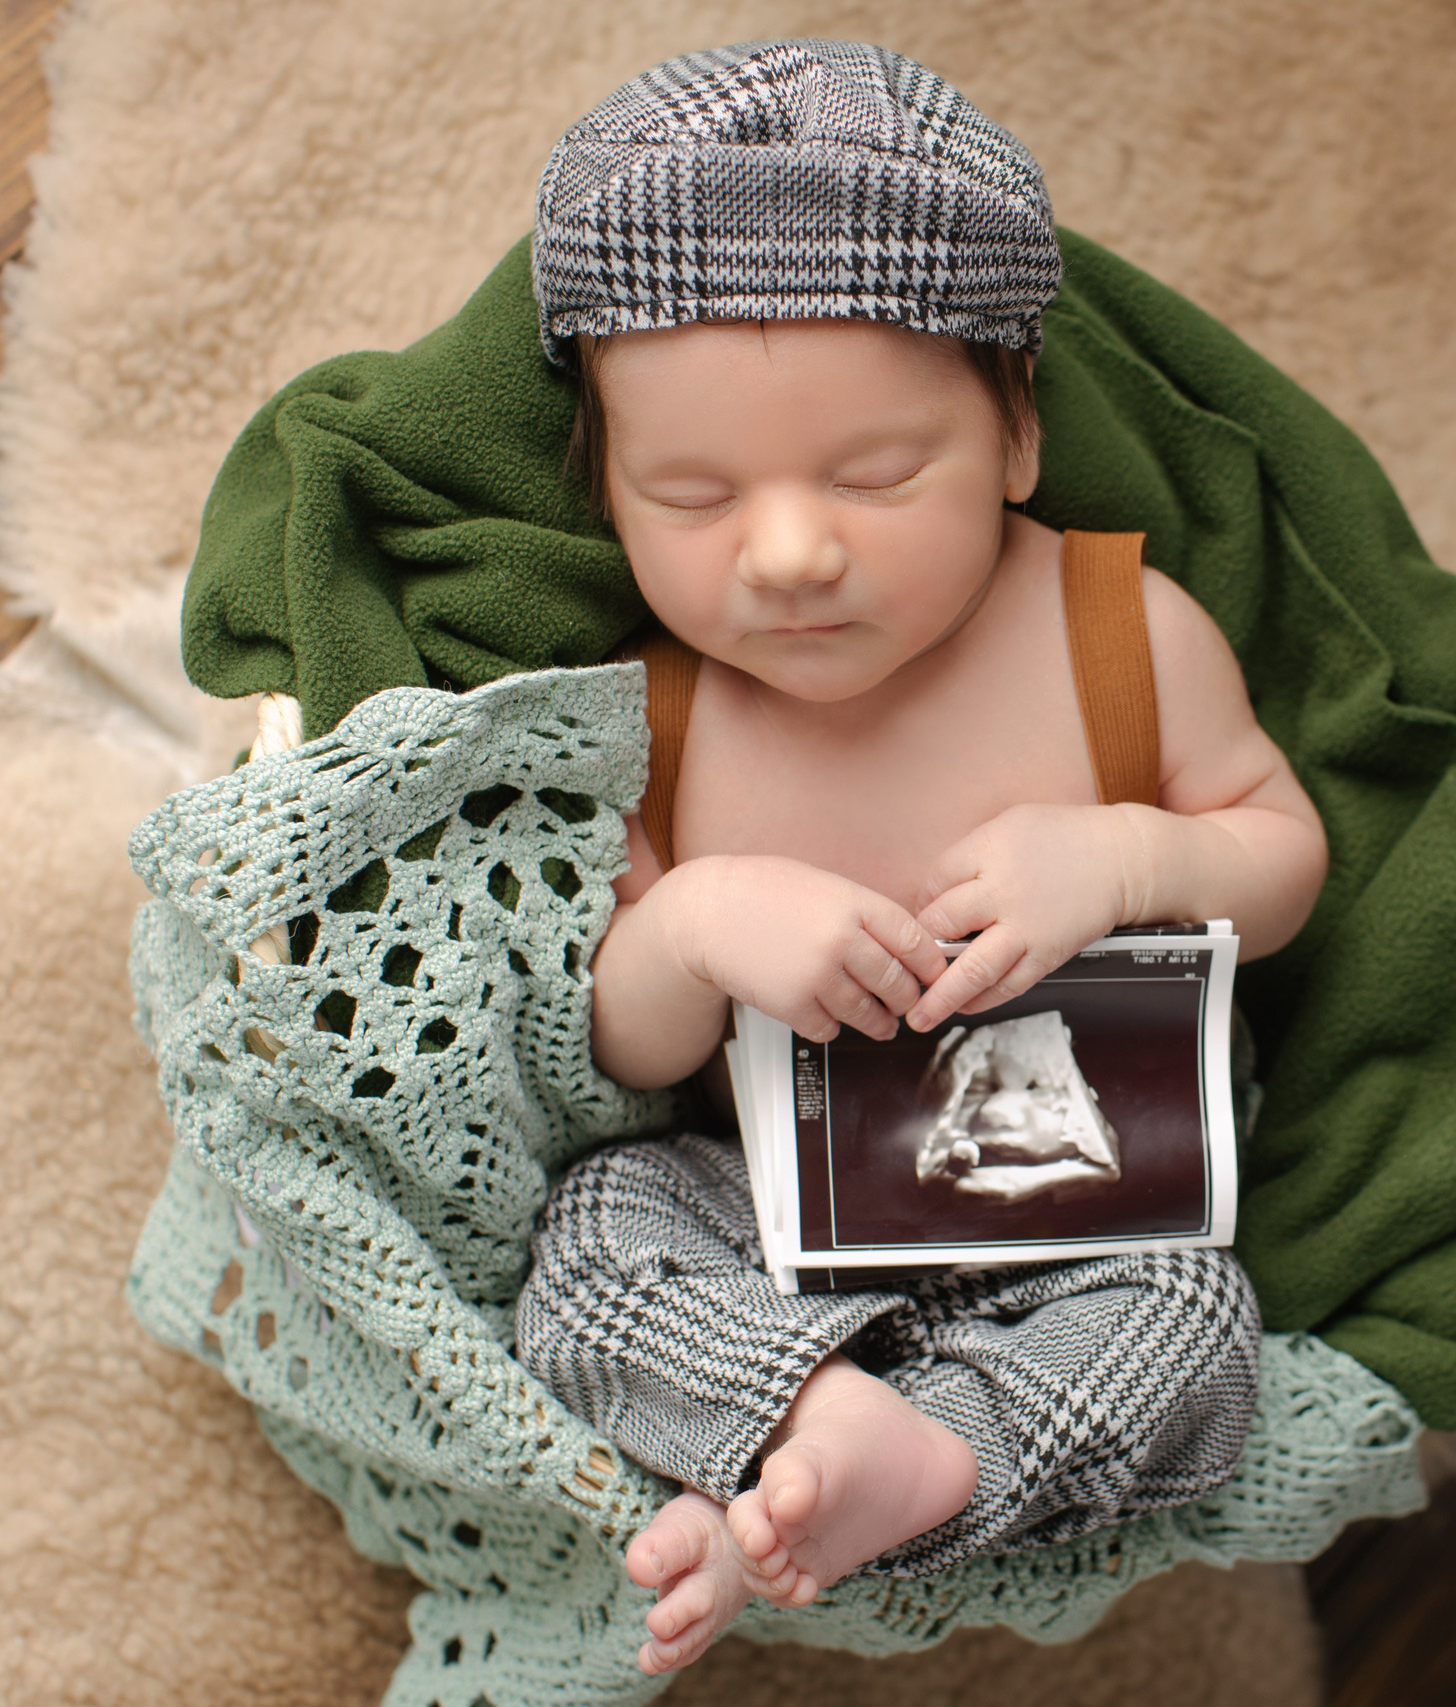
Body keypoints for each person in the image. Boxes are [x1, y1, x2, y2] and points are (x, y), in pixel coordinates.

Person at [508, 41, 1329, 1677]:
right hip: (768, 1218)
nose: (795, 551)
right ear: (603, 491)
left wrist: (1135, 852)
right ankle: (820, 1432)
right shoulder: (652, 717)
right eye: (690, 495)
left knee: (1200, 1339)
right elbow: (607, 1051)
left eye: (879, 475)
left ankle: (884, 1469)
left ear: (1018, 429)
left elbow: (1286, 859)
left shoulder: (1117, 634)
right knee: (589, 1247)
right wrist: (691, 934)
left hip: (1090, 1218)